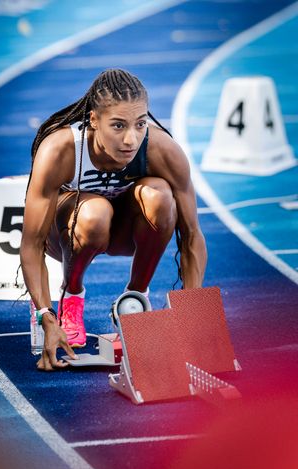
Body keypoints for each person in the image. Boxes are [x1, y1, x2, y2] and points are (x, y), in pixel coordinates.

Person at [20, 68, 207, 371]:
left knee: (160, 195)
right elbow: (31, 244)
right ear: (93, 120)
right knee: (96, 212)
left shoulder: (162, 149)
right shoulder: (61, 149)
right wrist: (46, 316)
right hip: (66, 236)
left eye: (140, 124)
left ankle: (133, 302)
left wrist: (190, 313)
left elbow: (192, 235)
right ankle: (72, 296)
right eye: (118, 126)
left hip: (123, 233)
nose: (131, 139)